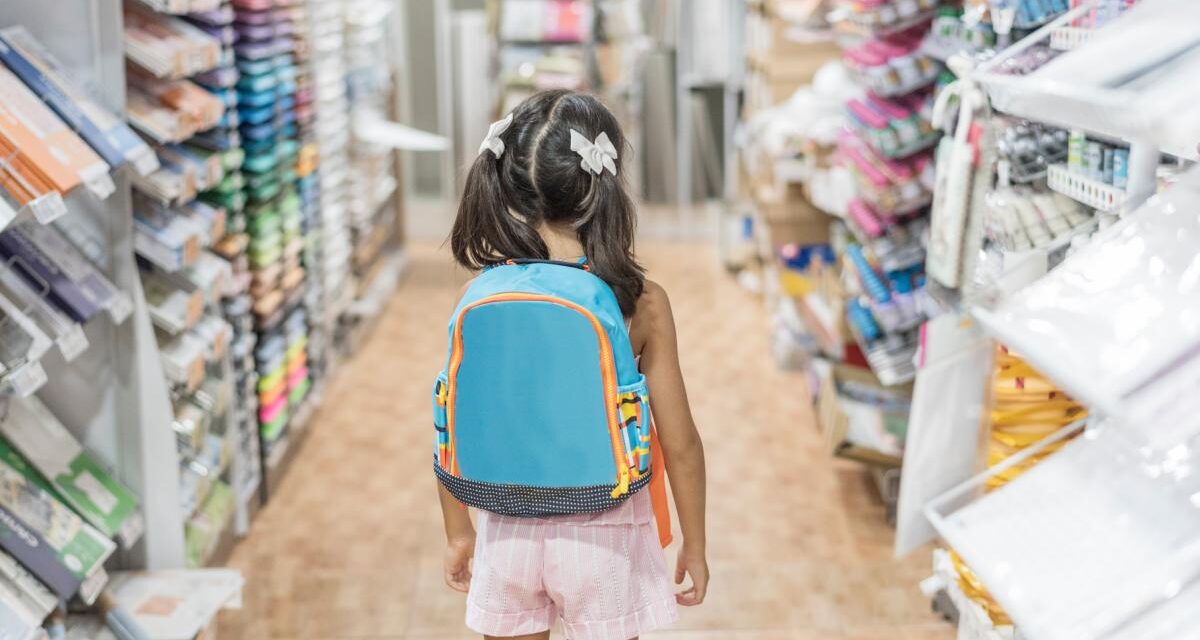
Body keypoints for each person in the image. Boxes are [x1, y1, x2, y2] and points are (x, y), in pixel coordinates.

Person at [435, 89, 708, 640]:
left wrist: (459, 532)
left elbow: (454, 417)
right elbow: (680, 442)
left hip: (505, 526)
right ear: (604, 187)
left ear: (506, 186)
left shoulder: (481, 293)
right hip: (604, 534)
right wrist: (695, 543)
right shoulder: (639, 301)